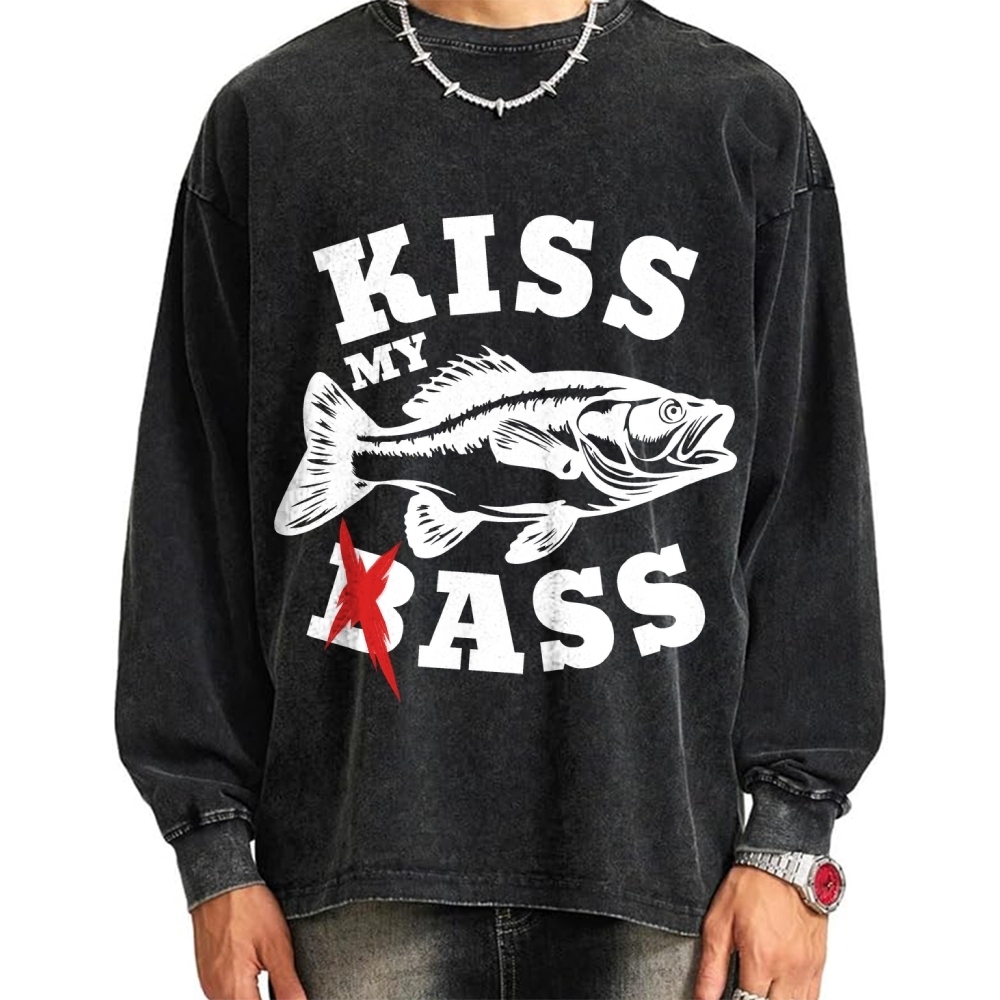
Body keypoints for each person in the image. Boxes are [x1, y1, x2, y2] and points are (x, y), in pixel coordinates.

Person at [114, 0, 885, 997]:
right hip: (353, 879)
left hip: (664, 881)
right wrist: (213, 850)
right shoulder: (275, 117)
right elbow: (189, 500)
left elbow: (812, 502)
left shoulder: (738, 117)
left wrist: (791, 842)